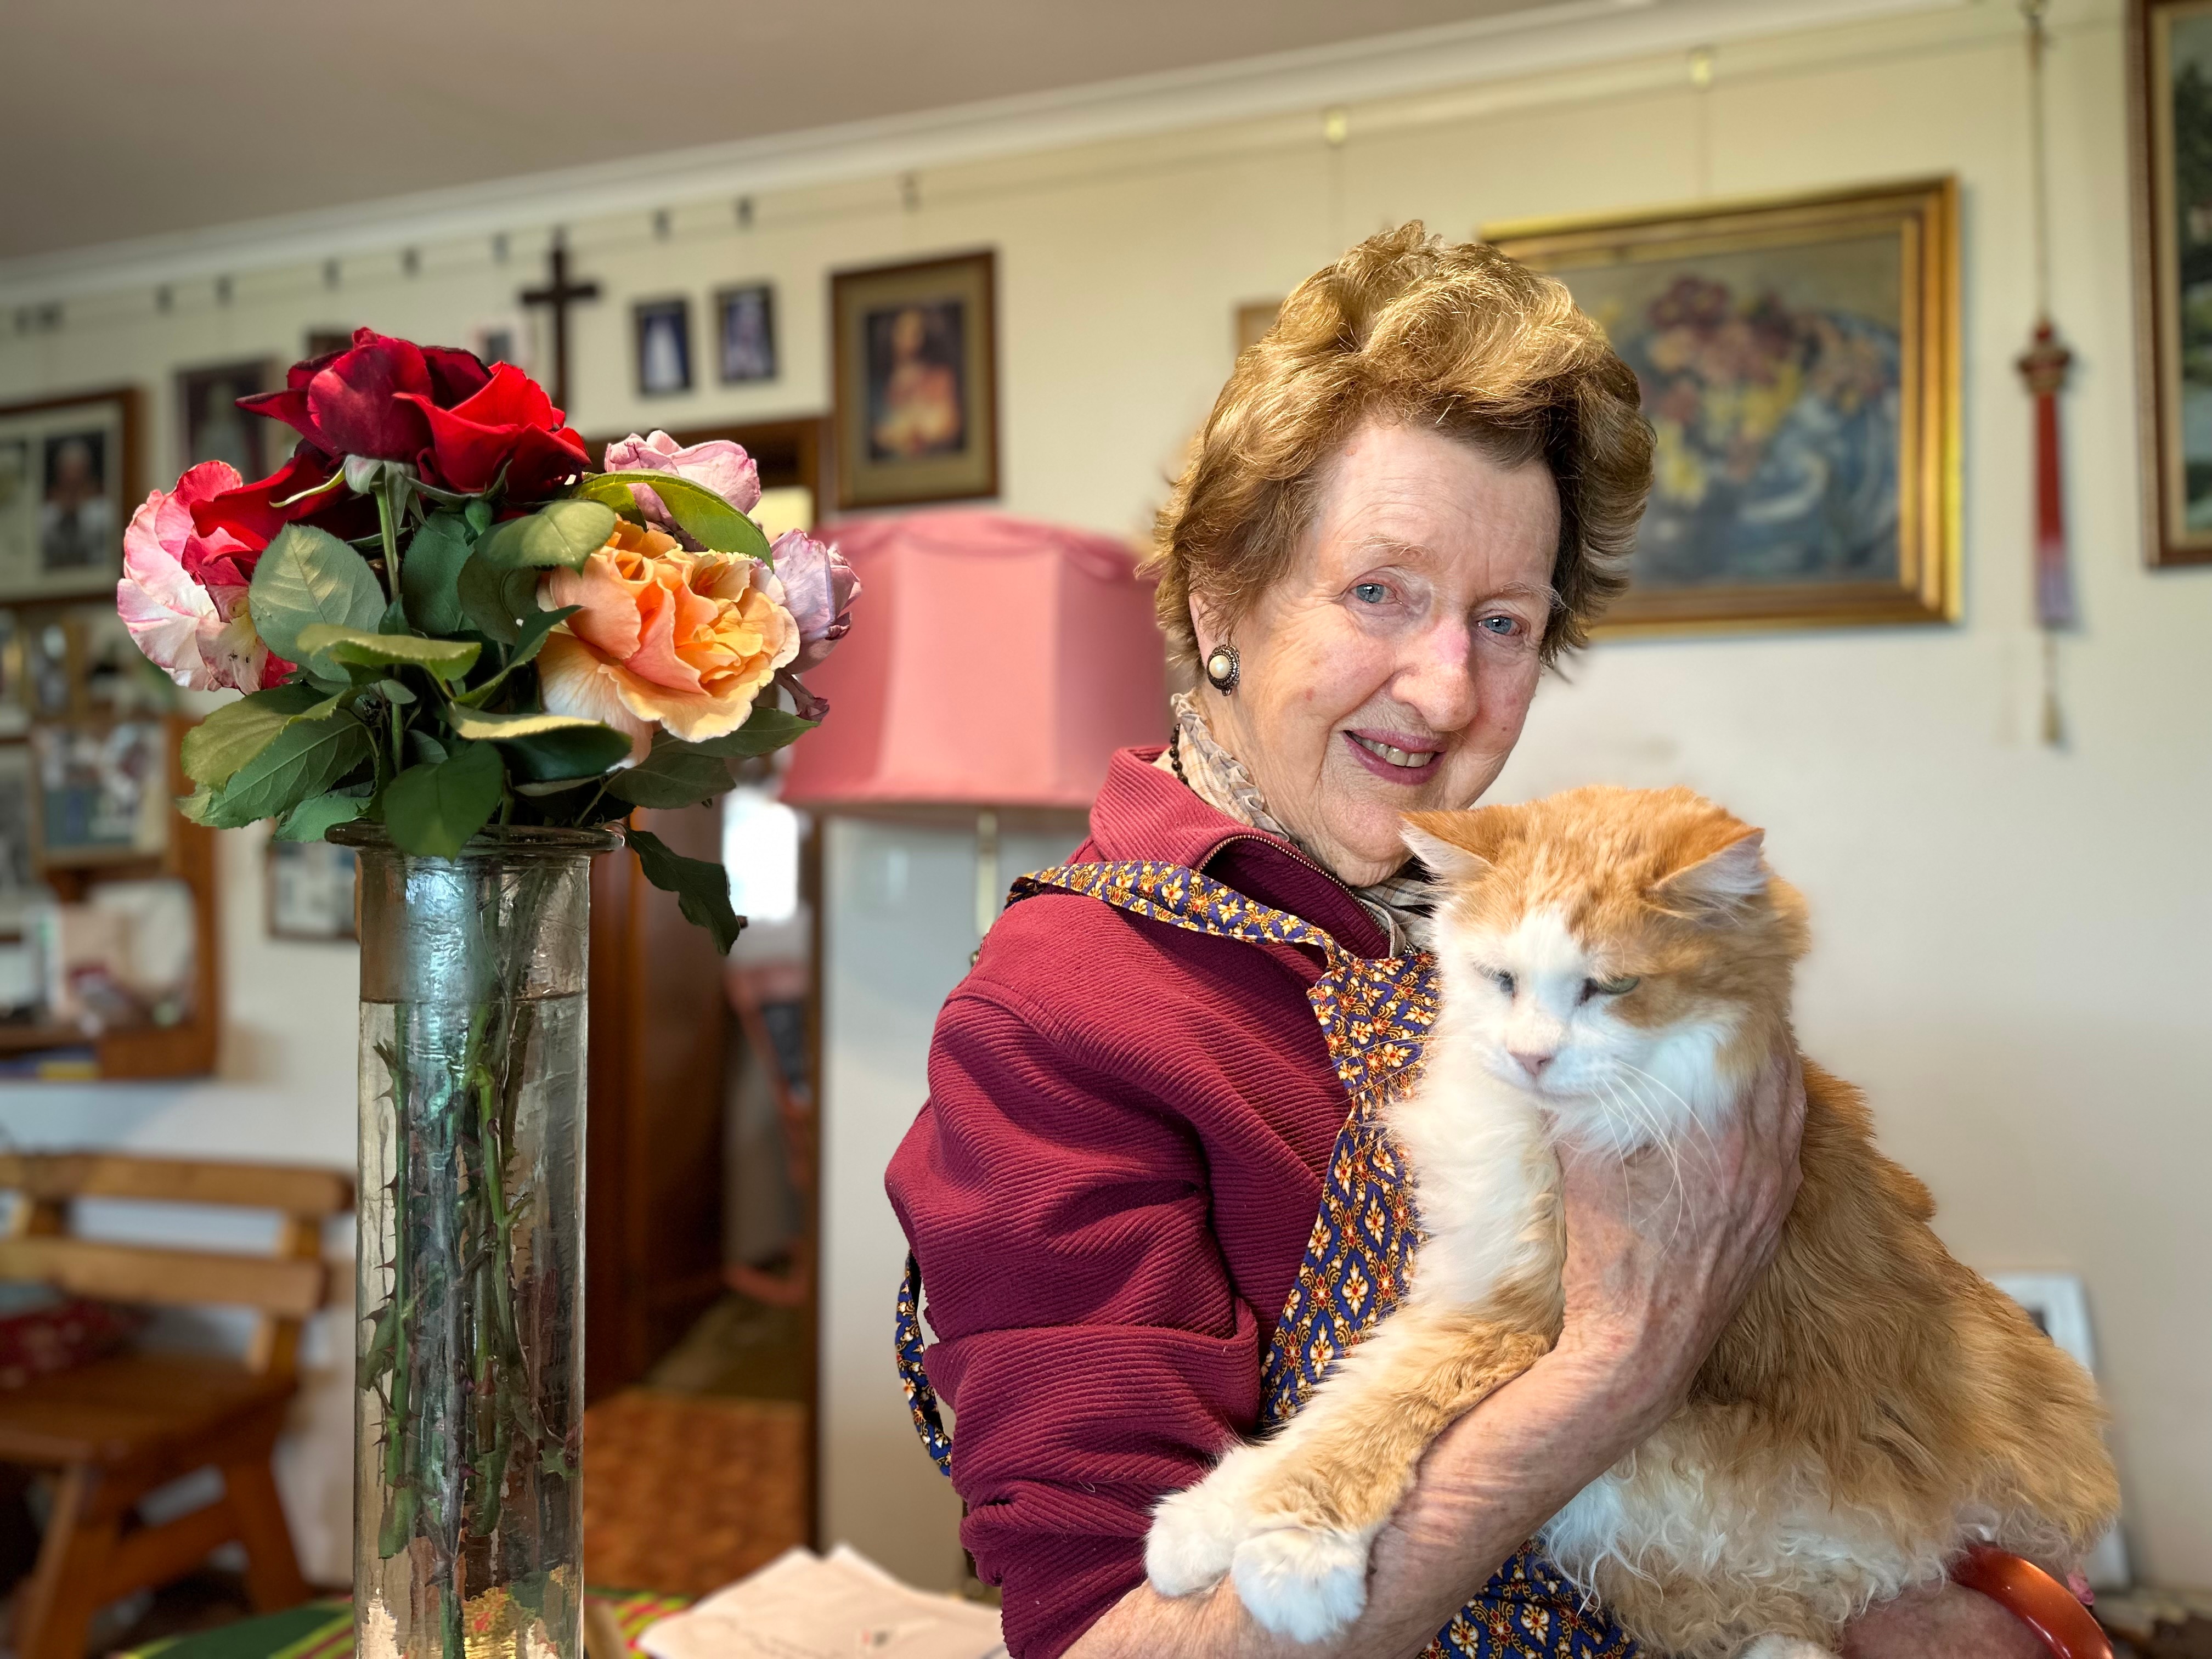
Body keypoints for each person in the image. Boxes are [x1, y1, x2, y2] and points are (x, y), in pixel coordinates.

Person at [885, 225, 2047, 1659]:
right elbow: (1111, 1646)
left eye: (1504, 621)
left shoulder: (1493, 914)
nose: (1444, 691)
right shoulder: (1067, 1012)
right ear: (1218, 601)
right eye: (1381, 591)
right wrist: (1620, 1368)